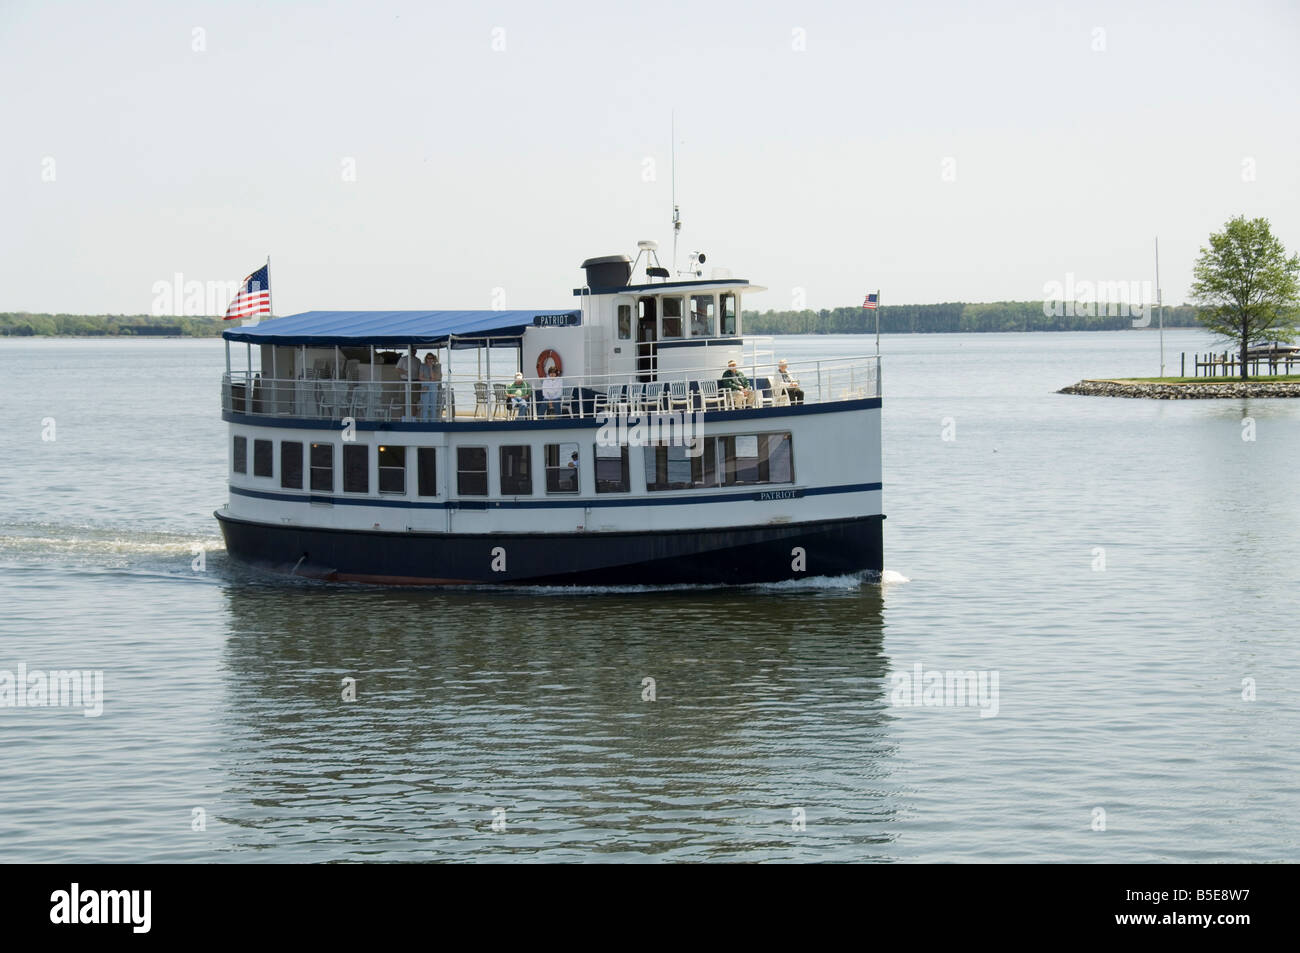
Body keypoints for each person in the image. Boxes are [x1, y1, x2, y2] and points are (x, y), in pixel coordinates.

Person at [420, 352, 443, 420]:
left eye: (431, 358)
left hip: (433, 386)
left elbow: (434, 378)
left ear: (433, 359)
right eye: (428, 358)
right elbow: (420, 377)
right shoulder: (422, 366)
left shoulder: (437, 366)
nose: (429, 360)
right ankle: (425, 421)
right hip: (425, 385)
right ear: (426, 359)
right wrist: (429, 379)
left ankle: (433, 421)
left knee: (433, 404)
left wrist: (430, 368)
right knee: (425, 405)